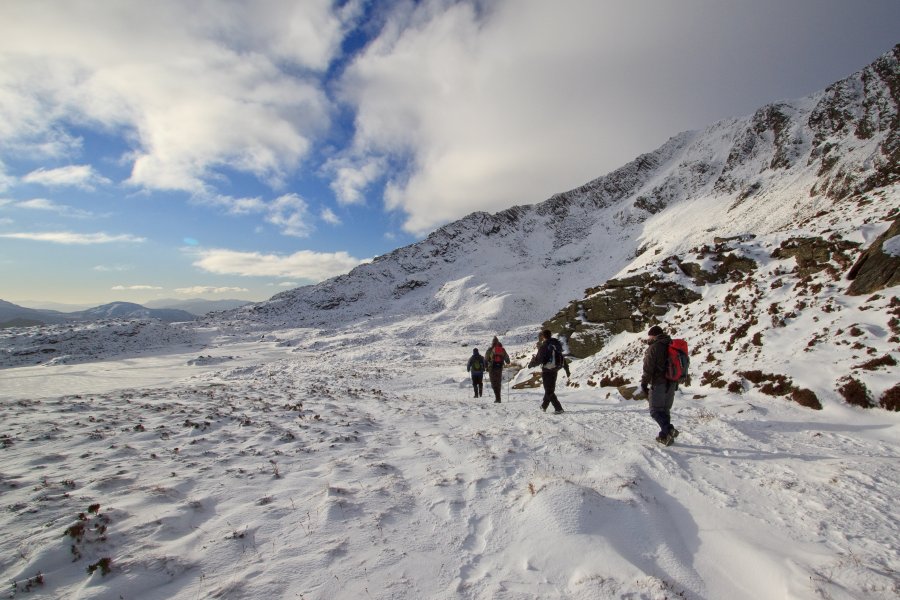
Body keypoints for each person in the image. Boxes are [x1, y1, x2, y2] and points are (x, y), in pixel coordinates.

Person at [640, 325, 680, 445]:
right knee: (664, 410)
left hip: (658, 383)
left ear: (654, 335)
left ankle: (669, 429)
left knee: (655, 411)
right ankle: (664, 436)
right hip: (671, 383)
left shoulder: (654, 347)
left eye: (650, 336)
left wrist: (643, 383)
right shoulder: (671, 344)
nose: (649, 338)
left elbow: (648, 368)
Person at [528, 329, 564, 413]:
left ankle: (558, 408)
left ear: (543, 336)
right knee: (550, 389)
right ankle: (544, 406)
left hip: (547, 369)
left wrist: (531, 365)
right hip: (555, 368)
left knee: (548, 390)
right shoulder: (556, 343)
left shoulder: (544, 346)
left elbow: (539, 359)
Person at [483, 337, 510, 403]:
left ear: (492, 342)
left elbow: (485, 359)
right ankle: (498, 398)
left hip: (492, 368)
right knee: (498, 383)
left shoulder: (490, 350)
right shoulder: (502, 350)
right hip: (499, 368)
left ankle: (497, 398)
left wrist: (485, 367)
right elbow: (508, 361)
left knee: (493, 383)